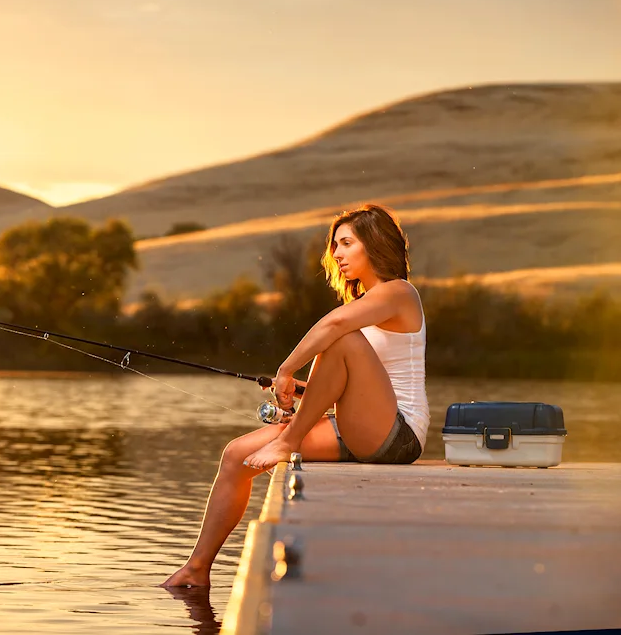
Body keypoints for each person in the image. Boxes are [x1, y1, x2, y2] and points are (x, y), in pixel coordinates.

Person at [161, 203, 429, 589]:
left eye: (346, 243)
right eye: (335, 245)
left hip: (399, 436)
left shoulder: (400, 293)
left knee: (339, 336)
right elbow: (361, 383)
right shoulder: (366, 305)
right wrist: (309, 391)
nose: (336, 254)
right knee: (236, 455)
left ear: (374, 245)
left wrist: (286, 371)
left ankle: (287, 441)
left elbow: (335, 328)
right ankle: (197, 568)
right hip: (361, 429)